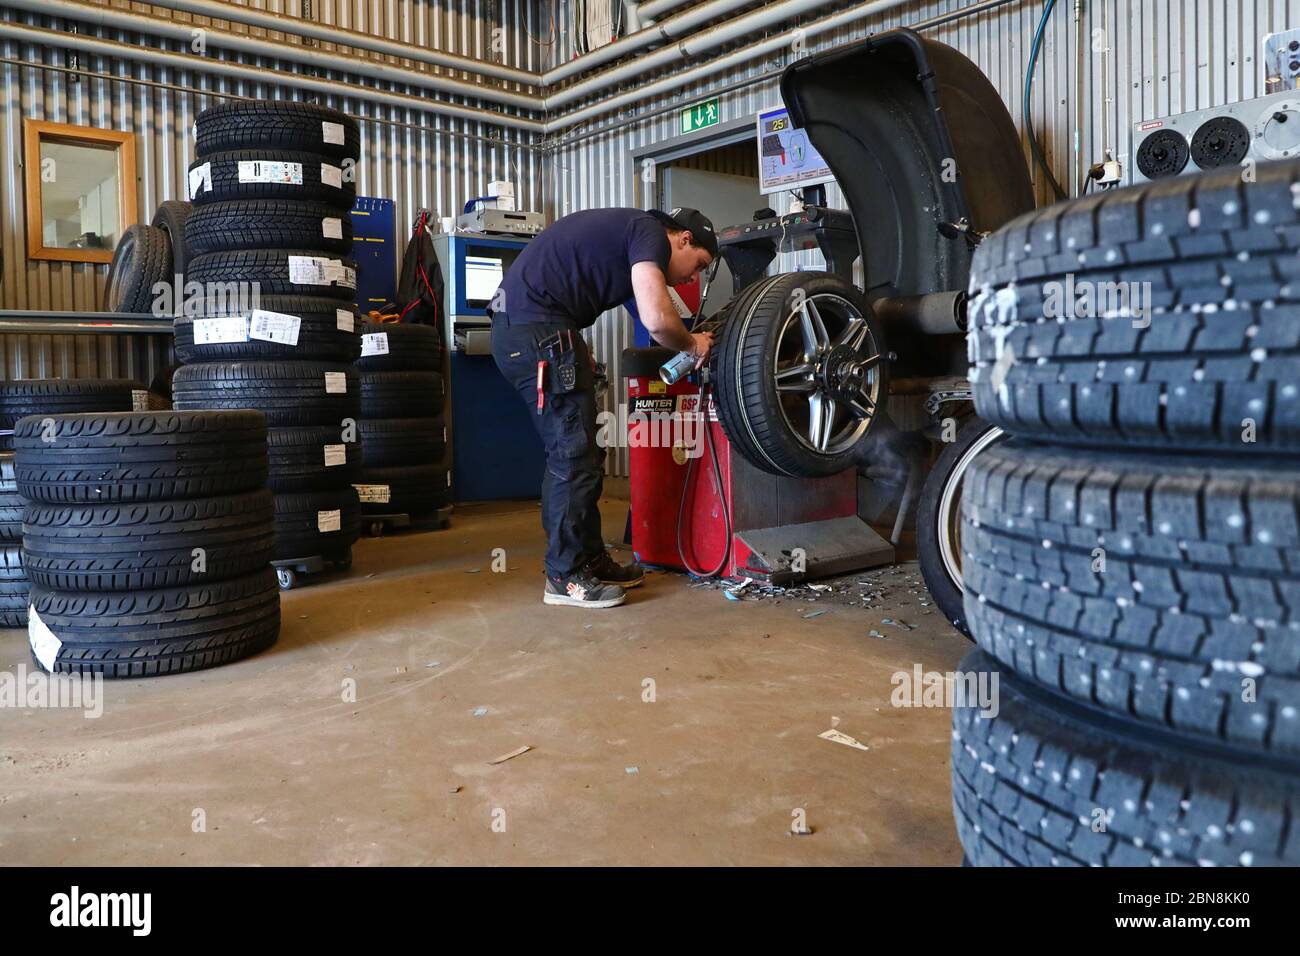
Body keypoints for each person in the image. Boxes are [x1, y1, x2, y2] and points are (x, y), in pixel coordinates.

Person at [489, 206, 718, 608]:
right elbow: (660, 322)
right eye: (697, 263)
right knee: (572, 454)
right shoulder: (648, 232)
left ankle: (589, 558)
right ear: (682, 238)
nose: (692, 277)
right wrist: (693, 344)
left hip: (535, 330)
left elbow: (655, 325)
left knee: (586, 452)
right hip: (537, 332)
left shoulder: (630, 241)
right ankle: (564, 576)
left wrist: (689, 337)